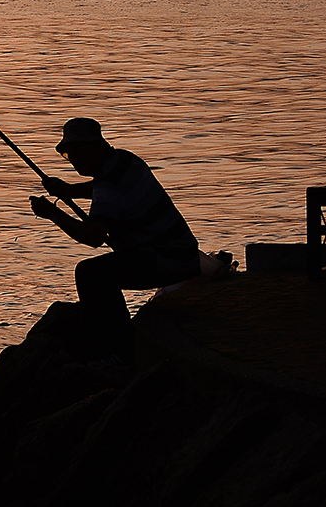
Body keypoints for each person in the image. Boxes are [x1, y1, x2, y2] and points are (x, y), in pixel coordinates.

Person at [29, 116, 199, 360]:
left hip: (168, 260)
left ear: (91, 148)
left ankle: (116, 349)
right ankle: (117, 340)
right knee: (101, 271)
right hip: (182, 252)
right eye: (66, 155)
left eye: (74, 153)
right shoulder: (123, 161)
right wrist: (68, 190)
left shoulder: (107, 184)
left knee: (90, 273)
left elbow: (94, 237)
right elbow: (99, 187)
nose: (72, 161)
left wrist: (53, 214)